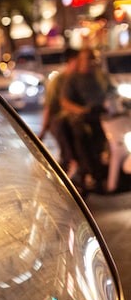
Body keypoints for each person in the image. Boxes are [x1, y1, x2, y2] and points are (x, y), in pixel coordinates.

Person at [60, 47, 109, 193]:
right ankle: (88, 171)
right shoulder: (73, 79)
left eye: (93, 59)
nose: (92, 62)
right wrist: (81, 110)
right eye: (88, 59)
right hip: (83, 119)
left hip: (103, 117)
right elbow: (65, 101)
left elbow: (112, 91)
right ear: (80, 61)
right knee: (83, 137)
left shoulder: (100, 77)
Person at [39, 49, 76, 175]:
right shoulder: (58, 80)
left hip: (80, 119)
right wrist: (43, 130)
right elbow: (49, 105)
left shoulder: (85, 79)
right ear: (71, 61)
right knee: (61, 127)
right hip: (61, 121)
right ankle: (70, 162)